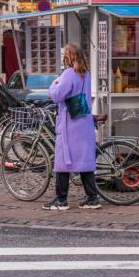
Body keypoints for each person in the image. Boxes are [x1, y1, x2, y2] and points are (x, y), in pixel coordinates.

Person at [43, 43, 101, 211]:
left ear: (69, 57)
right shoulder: (86, 73)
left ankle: (61, 199)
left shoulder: (68, 74)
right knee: (85, 162)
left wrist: (54, 83)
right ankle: (92, 197)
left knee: (62, 162)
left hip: (70, 124)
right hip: (84, 123)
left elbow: (57, 95)